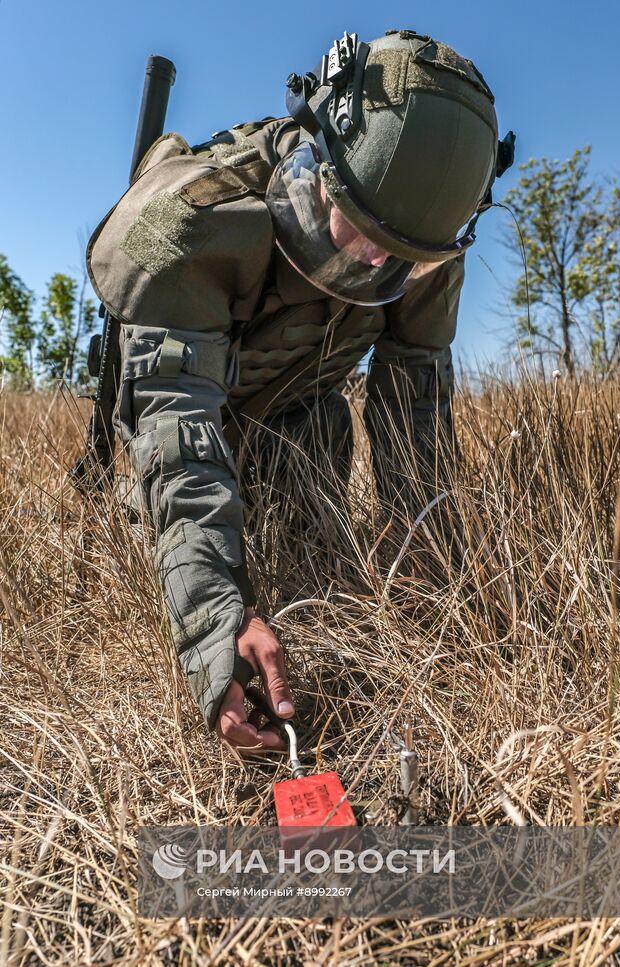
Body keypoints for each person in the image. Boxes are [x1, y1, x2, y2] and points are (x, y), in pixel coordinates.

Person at [86, 29, 514, 755]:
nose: (382, 262)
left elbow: (416, 416)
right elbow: (177, 435)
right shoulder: (194, 222)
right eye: (370, 232)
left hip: (296, 418)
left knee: (323, 457)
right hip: (193, 417)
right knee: (166, 545)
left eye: (406, 256)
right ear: (326, 160)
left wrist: (433, 572)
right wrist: (215, 629)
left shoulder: (425, 247)